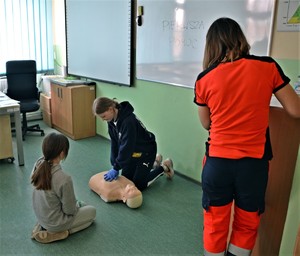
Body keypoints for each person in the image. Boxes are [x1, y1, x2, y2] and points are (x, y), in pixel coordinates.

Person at [194, 17, 300, 256]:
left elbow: (206, 123)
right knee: (247, 222)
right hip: (253, 165)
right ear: (240, 38)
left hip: (217, 163)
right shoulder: (268, 67)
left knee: (215, 223)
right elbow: (295, 110)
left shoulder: (204, 79)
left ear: (211, 45)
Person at [92, 97, 174, 191]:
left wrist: (116, 167)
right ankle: (154, 162)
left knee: (138, 185)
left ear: (111, 109)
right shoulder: (111, 120)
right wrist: (114, 162)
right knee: (127, 181)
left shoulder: (128, 122)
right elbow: (115, 142)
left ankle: (164, 167)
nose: (103, 119)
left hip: (146, 151)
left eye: (103, 116)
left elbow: (127, 147)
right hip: (133, 153)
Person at [31, 132, 96, 244]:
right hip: (56, 222)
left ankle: (43, 227)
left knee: (79, 204)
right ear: (62, 153)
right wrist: (77, 206)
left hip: (42, 216)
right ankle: (58, 233)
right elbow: (69, 210)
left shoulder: (38, 165)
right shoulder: (63, 178)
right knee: (91, 213)